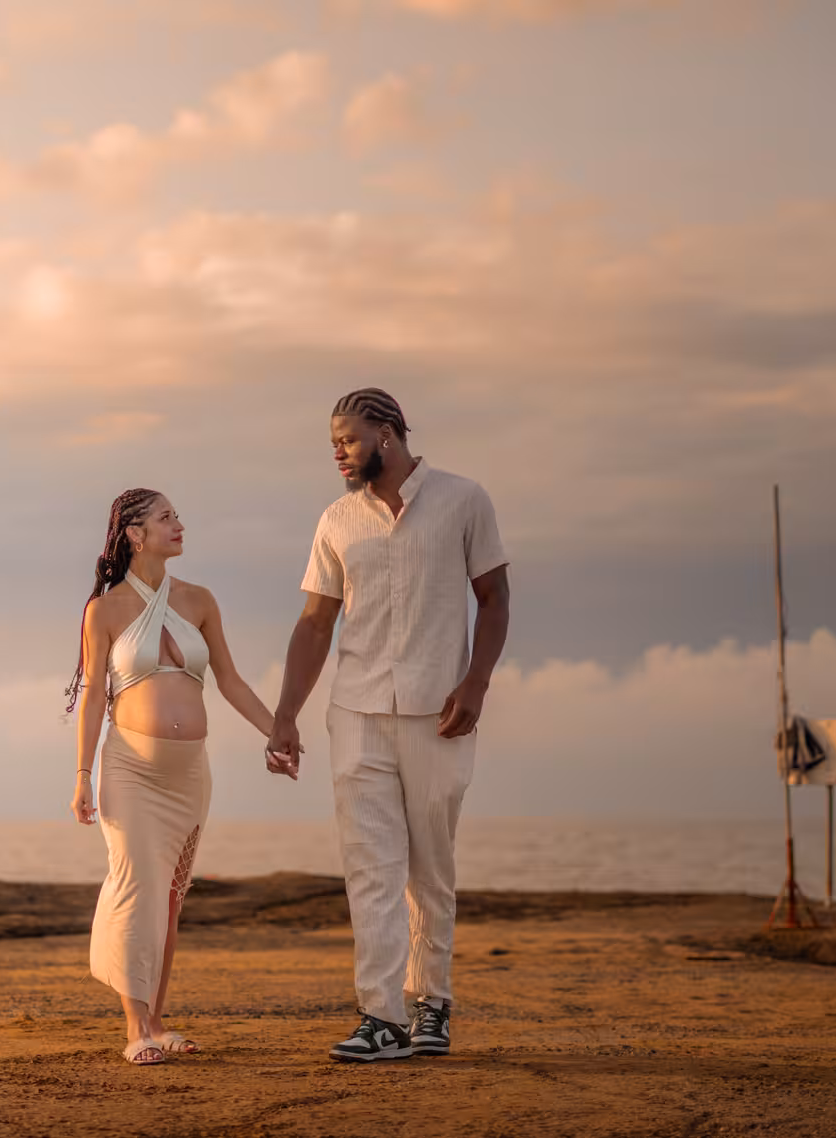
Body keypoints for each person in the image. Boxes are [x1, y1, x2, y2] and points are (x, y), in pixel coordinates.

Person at [266, 389, 510, 1063]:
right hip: (357, 712)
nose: (339, 452)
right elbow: (316, 624)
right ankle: (381, 1016)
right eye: (334, 444)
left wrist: (477, 682)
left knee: (430, 867)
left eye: (348, 439)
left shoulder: (464, 500)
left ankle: (433, 1000)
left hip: (441, 714)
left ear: (389, 434)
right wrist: (285, 715)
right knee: (371, 869)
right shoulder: (337, 520)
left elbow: (494, 598)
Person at [66, 488, 281, 1065]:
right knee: (138, 891)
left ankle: (158, 1021)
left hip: (190, 774)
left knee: (169, 899)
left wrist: (276, 729)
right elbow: (93, 697)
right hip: (130, 769)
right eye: (167, 518)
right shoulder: (105, 609)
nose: (180, 525)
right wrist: (82, 774)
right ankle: (135, 1029)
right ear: (135, 533)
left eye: (177, 516)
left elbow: (230, 680)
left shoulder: (199, 600)